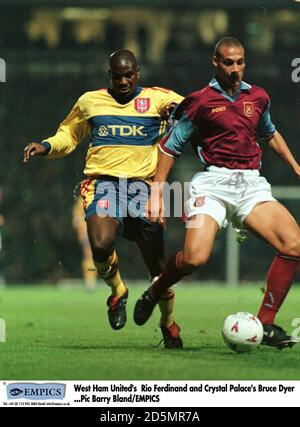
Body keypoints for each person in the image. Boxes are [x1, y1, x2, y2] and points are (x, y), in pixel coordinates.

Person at [134, 37, 300, 350]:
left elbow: (269, 133)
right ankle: (158, 289)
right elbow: (170, 146)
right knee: (195, 259)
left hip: (250, 185)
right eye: (228, 63)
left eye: (240, 62)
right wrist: (157, 193)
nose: (235, 69)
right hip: (212, 185)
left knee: (294, 244)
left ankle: (265, 323)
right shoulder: (199, 101)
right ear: (215, 62)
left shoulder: (259, 97)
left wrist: (295, 166)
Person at [23, 50, 184, 349]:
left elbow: (190, 115)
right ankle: (118, 292)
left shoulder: (160, 98)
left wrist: (178, 112)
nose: (123, 81)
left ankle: (168, 324)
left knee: (158, 270)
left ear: (138, 73)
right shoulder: (90, 101)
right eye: (116, 76)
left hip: (144, 189)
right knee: (99, 243)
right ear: (109, 75)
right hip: (103, 184)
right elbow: (68, 135)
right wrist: (45, 146)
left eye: (128, 75)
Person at [72, 196, 97, 290]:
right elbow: (76, 219)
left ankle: (91, 280)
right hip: (86, 231)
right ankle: (90, 281)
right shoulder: (83, 199)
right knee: (89, 254)